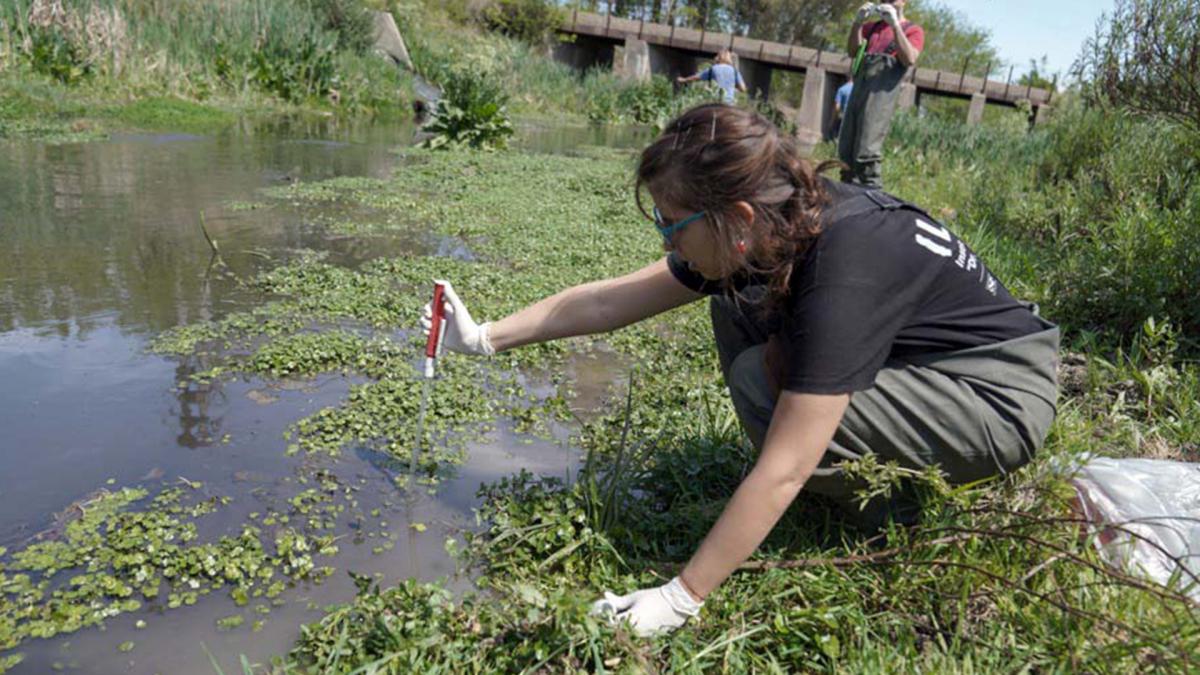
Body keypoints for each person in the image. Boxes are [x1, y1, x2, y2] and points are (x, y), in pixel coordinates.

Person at [423, 105, 1059, 637]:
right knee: (739, 310)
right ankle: (847, 471)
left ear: (740, 219)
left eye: (672, 225)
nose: (666, 242)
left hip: (997, 395)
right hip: (928, 364)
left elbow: (784, 466)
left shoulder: (845, 266)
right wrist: (483, 338)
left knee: (765, 385)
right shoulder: (776, 219)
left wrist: (681, 595)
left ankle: (889, 512)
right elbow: (608, 300)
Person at [839, 0, 924, 188]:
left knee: (866, 152)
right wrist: (857, 23)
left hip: (880, 97)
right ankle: (846, 194)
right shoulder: (872, 28)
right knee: (846, 150)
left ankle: (872, 196)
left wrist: (895, 25)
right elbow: (852, 51)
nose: (886, 2)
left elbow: (909, 58)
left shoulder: (913, 30)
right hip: (858, 93)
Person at [677, 49, 747, 104]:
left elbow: (697, 77)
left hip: (715, 102)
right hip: (729, 105)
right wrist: (731, 86)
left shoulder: (713, 69)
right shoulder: (734, 71)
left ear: (718, 58)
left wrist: (684, 80)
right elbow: (743, 89)